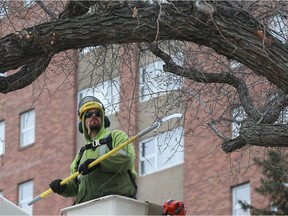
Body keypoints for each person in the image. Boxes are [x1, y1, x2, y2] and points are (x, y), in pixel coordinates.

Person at [49, 96, 137, 204]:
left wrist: (99, 163)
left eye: (98, 113)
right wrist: (63, 188)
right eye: (89, 115)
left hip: (116, 203)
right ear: (83, 123)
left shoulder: (116, 136)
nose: (94, 115)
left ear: (104, 119)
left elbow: (126, 158)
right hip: (89, 207)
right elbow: (76, 186)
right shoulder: (81, 155)